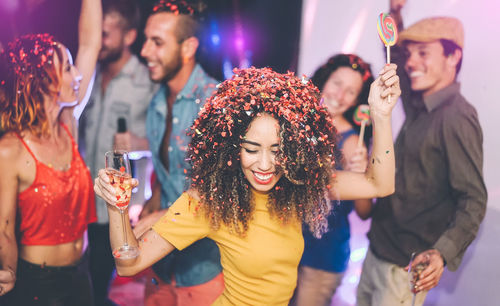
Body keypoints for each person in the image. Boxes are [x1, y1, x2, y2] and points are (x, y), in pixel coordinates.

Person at [94, 64, 401, 305]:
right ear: (232, 148)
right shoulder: (208, 202)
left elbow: (379, 184)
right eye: (252, 149)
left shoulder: (296, 184)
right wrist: (118, 208)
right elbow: (129, 265)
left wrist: (382, 116)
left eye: (277, 151)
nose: (265, 164)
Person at [356, 6, 488, 306]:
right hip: (377, 252)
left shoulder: (457, 117)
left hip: (402, 270)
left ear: (453, 57)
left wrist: (441, 252)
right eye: (410, 53)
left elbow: (473, 199)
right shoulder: (421, 102)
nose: (412, 62)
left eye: (423, 53)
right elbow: (397, 62)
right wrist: (394, 14)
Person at [0, 0, 101, 304]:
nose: (78, 75)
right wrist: (7, 273)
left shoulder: (68, 123)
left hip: (83, 273)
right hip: (37, 284)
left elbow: (90, 43)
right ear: (42, 80)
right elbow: (3, 229)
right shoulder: (11, 151)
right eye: (68, 68)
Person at [135, 1, 224, 305]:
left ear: (188, 47)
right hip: (160, 268)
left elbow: (225, 193)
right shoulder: (157, 101)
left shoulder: (215, 105)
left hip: (202, 273)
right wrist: (148, 209)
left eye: (157, 42)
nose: (145, 51)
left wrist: (163, 218)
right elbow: (167, 174)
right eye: (146, 40)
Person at [78, 0, 157, 305]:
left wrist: (140, 143)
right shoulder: (87, 76)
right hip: (81, 201)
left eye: (106, 34)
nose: (100, 40)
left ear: (129, 36)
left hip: (117, 209)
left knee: (100, 287)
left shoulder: (148, 81)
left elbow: (172, 143)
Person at [292, 54, 374, 306]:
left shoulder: (352, 143)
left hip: (322, 258)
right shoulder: (297, 119)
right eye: (337, 83)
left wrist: (360, 174)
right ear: (324, 80)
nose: (340, 95)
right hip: (283, 246)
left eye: (351, 92)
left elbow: (364, 212)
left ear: (357, 100)